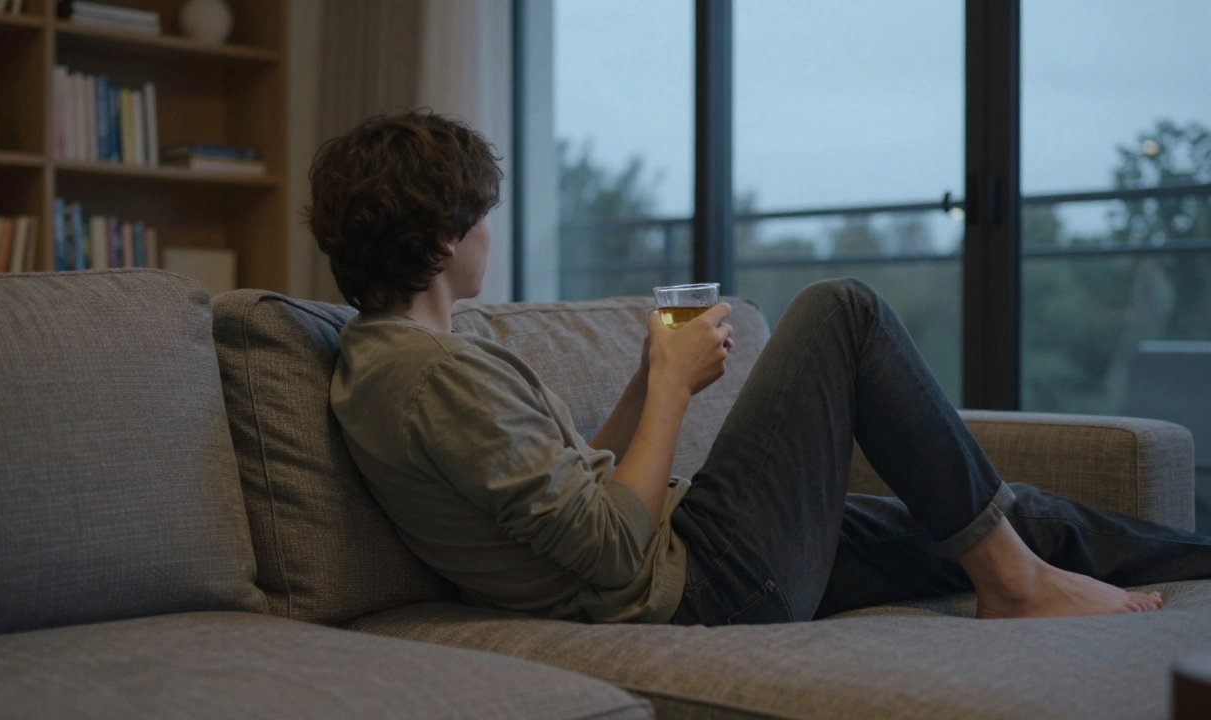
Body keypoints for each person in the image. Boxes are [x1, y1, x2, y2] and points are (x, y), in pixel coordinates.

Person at [310, 109, 1211, 626]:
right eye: (480, 216)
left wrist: (646, 378)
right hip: (707, 584)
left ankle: (1062, 564)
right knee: (841, 311)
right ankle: (1015, 585)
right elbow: (612, 544)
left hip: (697, 551)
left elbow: (570, 484)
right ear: (442, 238)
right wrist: (670, 386)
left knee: (996, 511)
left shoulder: (410, 358)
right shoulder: (425, 380)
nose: (489, 233)